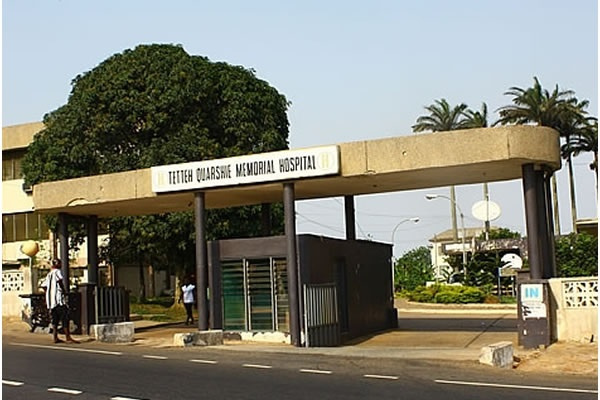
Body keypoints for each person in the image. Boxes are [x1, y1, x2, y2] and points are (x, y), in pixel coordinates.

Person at [40, 259, 79, 343]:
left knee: (55, 319)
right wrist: (63, 291)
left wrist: (49, 293)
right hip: (58, 299)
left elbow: (43, 285)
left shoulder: (49, 274)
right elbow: (60, 281)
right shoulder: (57, 272)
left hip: (51, 301)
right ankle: (68, 337)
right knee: (64, 317)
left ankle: (55, 337)